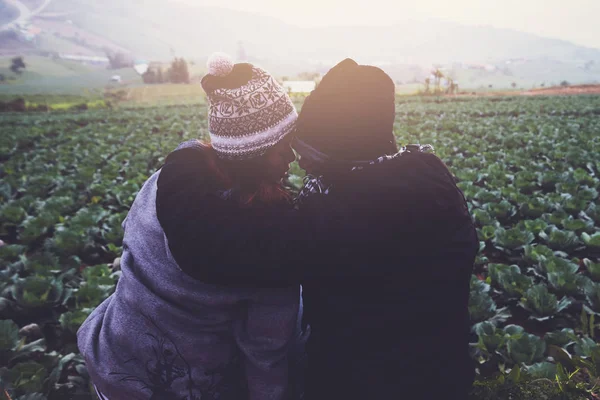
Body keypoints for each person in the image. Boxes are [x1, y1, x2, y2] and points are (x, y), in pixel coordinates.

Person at [190, 58, 479, 400]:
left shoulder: (339, 215)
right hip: (445, 377)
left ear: (345, 151)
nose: (301, 160)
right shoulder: (426, 179)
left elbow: (225, 254)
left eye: (312, 150)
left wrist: (185, 164)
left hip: (366, 384)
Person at [77, 53, 307, 400]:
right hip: (188, 386)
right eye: (281, 146)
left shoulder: (161, 184)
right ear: (252, 155)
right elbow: (266, 351)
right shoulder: (270, 243)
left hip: (116, 357)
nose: (292, 157)